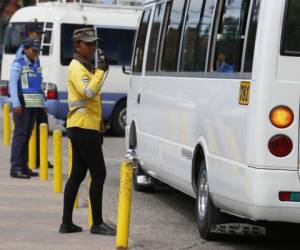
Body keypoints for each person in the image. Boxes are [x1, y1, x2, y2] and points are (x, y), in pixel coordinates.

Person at [59, 28, 115, 236]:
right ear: (77, 46)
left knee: (77, 175)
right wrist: (100, 71)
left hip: (83, 126)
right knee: (99, 175)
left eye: (93, 44)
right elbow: (89, 92)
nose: (92, 48)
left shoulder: (85, 66)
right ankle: (97, 224)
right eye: (87, 44)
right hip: (84, 127)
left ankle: (67, 223)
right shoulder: (77, 67)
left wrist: (100, 69)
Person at [15, 21, 53, 169]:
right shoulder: (23, 52)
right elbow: (19, 81)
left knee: (41, 128)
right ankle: (20, 165)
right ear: (29, 35)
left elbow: (36, 79)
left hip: (36, 98)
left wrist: (42, 101)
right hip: (27, 99)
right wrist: (17, 102)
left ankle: (38, 159)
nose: (39, 36)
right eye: (37, 34)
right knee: (23, 134)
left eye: (40, 34)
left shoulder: (35, 53)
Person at [9, 37, 45, 179]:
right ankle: (16, 167)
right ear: (25, 49)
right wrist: (16, 103)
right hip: (22, 104)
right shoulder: (18, 64)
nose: (35, 53)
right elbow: (12, 84)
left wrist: (43, 103)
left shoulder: (36, 62)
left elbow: (39, 82)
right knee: (20, 136)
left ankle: (24, 166)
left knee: (27, 136)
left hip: (34, 102)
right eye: (33, 50)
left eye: (37, 50)